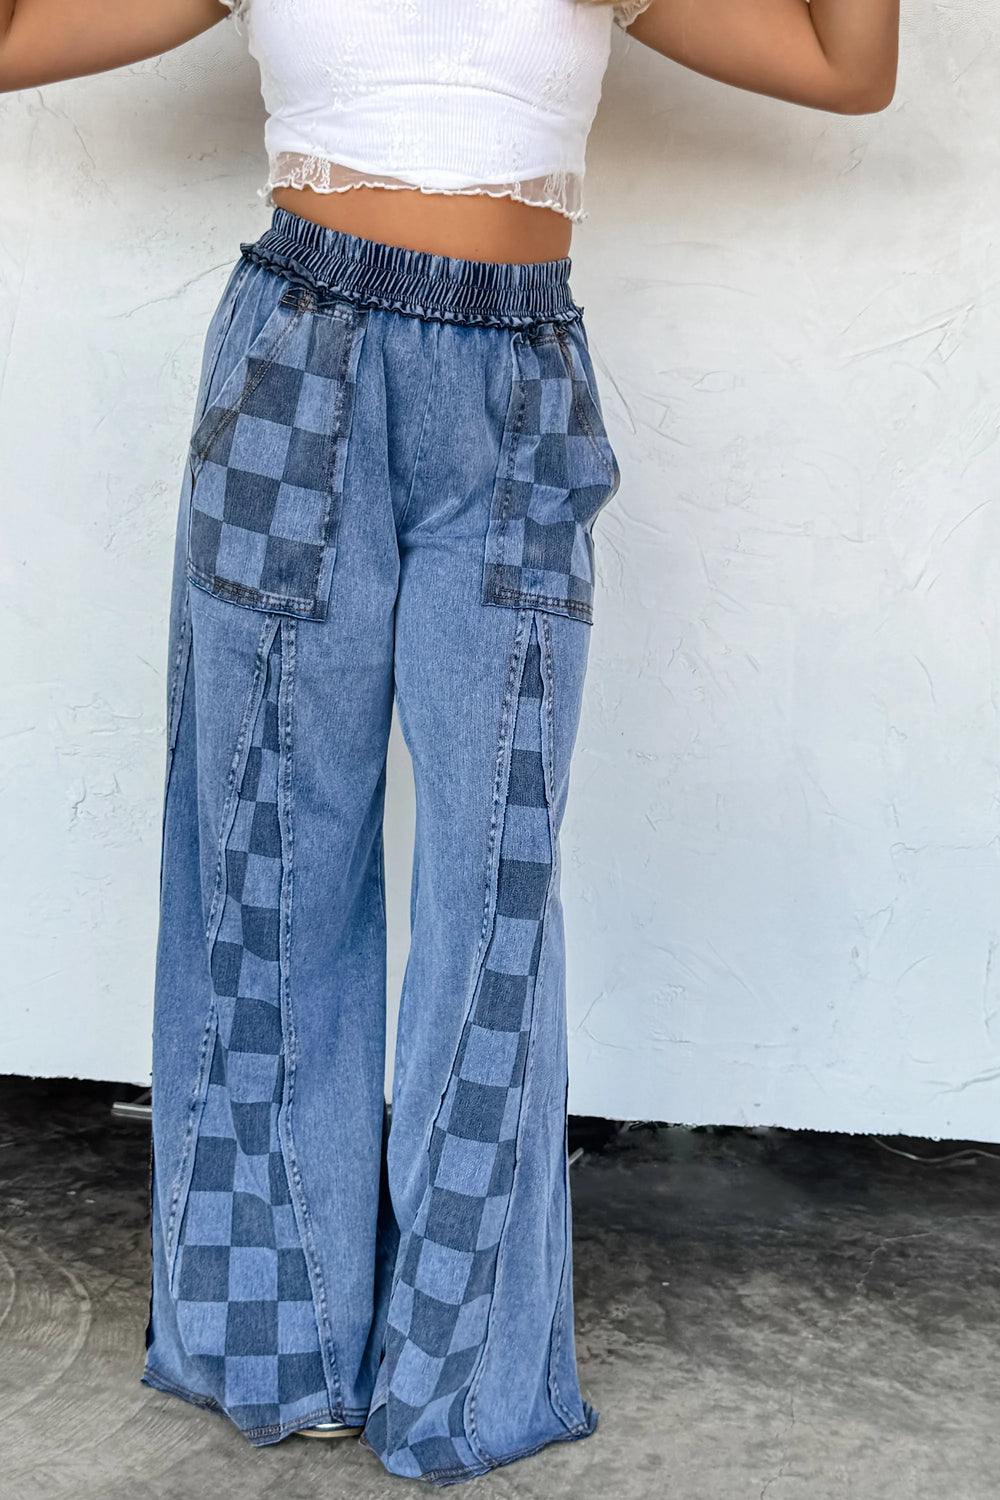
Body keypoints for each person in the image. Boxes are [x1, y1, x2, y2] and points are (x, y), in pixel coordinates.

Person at [0, 0, 899, 1485]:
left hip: (519, 394)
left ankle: (463, 1380)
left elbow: (849, 70)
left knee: (497, 889)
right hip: (298, 364)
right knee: (269, 866)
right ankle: (278, 1347)